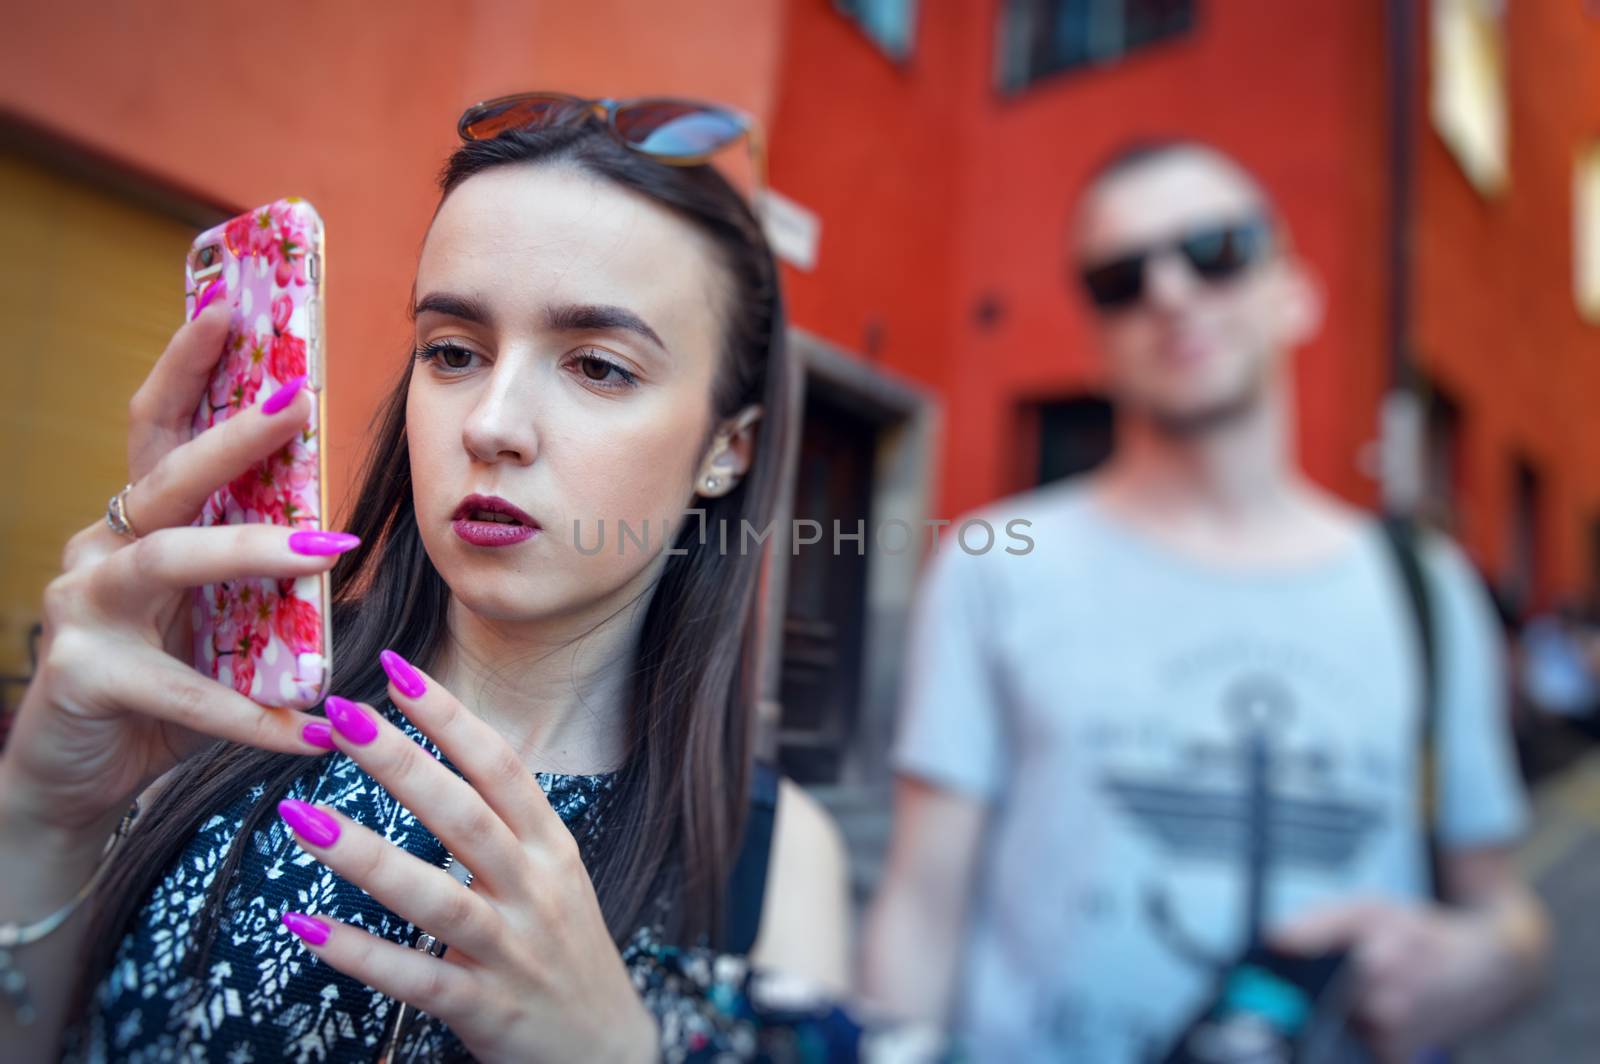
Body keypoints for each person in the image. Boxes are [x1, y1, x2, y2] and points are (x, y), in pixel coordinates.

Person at [0, 93, 852, 1062]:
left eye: (598, 367)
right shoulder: (219, 706)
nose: (490, 423)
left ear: (725, 449)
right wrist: (40, 819)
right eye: (452, 351)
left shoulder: (771, 864)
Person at [863, 140, 1549, 1062]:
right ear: (1096, 341)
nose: (1171, 292)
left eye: (1216, 250)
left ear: (1294, 293)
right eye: (1119, 278)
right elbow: (920, 904)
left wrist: (1489, 962)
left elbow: (1501, 906)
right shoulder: (995, 566)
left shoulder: (1427, 588)